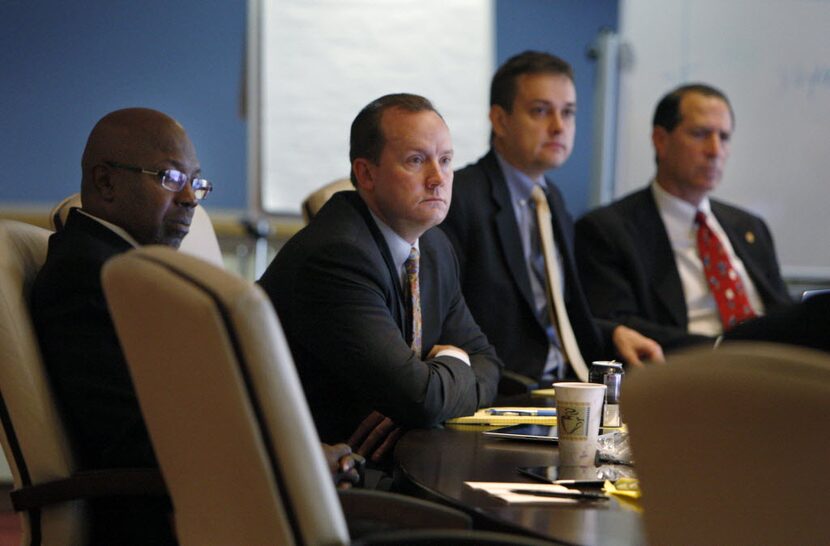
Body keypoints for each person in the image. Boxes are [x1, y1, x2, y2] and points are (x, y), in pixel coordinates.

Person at [30, 108, 358, 545]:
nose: (189, 198)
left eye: (196, 182)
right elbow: (136, 439)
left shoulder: (127, 267)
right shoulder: (90, 277)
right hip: (176, 518)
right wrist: (289, 460)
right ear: (106, 182)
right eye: (169, 178)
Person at [259, 94, 502, 453]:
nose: (438, 178)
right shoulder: (337, 256)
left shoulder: (434, 247)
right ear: (366, 174)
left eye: (446, 160)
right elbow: (422, 400)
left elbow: (489, 363)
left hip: (393, 461)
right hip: (319, 476)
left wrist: (429, 387)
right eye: (416, 161)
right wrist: (452, 362)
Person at [440, 51, 662, 387]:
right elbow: (452, 321)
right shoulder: (461, 198)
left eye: (569, 113)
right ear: (499, 120)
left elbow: (551, 313)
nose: (559, 127)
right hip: (508, 391)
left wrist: (613, 332)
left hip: (570, 382)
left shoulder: (551, 200)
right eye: (540, 111)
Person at [574, 84, 792, 350]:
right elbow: (619, 327)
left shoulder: (749, 227)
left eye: (724, 137)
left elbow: (783, 311)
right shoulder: (607, 231)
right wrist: (725, 349)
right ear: (660, 140)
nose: (715, 150)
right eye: (701, 134)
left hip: (774, 371)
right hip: (688, 374)